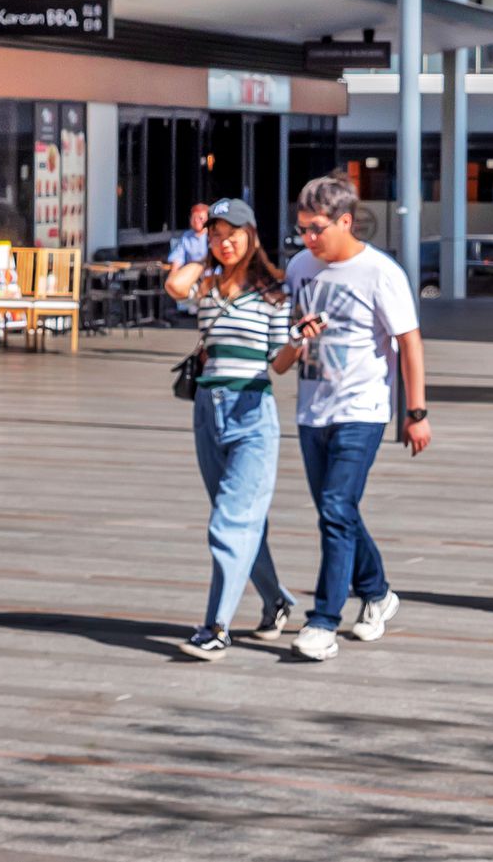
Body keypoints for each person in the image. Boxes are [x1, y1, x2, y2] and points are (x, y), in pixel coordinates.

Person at [285, 174, 429, 663]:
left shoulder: (380, 272)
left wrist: (416, 412)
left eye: (317, 228)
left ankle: (323, 622)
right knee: (338, 511)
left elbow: (409, 341)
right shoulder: (300, 267)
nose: (309, 238)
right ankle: (377, 592)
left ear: (345, 221)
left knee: (334, 508)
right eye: (302, 228)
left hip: (362, 409)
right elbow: (287, 335)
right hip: (312, 408)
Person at [163, 198, 301, 661]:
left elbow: (279, 363)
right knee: (242, 521)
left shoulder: (275, 292)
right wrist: (206, 260)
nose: (225, 243)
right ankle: (276, 600)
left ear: (251, 236)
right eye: (217, 235)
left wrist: (299, 343)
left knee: (229, 522)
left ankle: (216, 626)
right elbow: (173, 284)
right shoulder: (206, 286)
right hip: (208, 408)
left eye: (233, 234)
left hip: (251, 411)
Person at [169, 203, 211, 267]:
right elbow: (178, 256)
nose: (196, 221)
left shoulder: (211, 235)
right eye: (194, 218)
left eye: (200, 218)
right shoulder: (187, 236)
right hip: (190, 269)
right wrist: (174, 270)